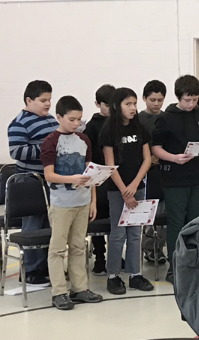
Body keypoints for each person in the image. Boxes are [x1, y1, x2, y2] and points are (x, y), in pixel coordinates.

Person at [40, 96, 103, 310]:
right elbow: (49, 175)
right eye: (72, 119)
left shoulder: (84, 140)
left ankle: (79, 288)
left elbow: (90, 172)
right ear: (59, 117)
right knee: (57, 249)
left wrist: (93, 200)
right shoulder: (51, 141)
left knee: (78, 247)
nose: (76, 124)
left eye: (79, 119)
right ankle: (59, 292)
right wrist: (72, 179)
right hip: (61, 203)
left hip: (82, 201)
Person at [151, 75, 199, 284]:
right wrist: (174, 158)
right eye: (187, 100)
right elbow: (156, 148)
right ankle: (174, 264)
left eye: (195, 100)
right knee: (176, 221)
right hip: (175, 177)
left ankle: (195, 262)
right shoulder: (166, 117)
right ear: (179, 97)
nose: (191, 104)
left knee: (197, 220)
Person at [100, 87, 155, 295]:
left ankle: (135, 274)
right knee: (117, 234)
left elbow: (147, 159)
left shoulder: (140, 128)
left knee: (134, 233)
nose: (133, 108)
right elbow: (110, 164)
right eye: (128, 104)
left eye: (134, 104)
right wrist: (124, 190)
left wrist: (134, 186)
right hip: (117, 190)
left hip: (137, 188)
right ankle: (113, 276)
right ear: (117, 106)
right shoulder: (109, 130)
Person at [7, 80, 59, 286]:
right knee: (33, 224)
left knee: (49, 223)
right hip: (30, 183)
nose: (47, 104)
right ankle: (30, 269)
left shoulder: (51, 119)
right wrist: (46, 150)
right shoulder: (19, 123)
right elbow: (16, 151)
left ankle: (46, 265)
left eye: (49, 100)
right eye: (43, 100)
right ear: (29, 100)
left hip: (50, 180)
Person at [83, 84, 115, 276]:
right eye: (107, 105)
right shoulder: (92, 127)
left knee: (114, 220)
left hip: (115, 176)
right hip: (97, 178)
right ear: (98, 104)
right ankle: (100, 257)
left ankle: (113, 256)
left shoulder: (118, 123)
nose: (110, 109)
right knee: (98, 218)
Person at [138, 80, 168, 265]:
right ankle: (148, 246)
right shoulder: (138, 120)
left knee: (163, 210)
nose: (156, 103)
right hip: (145, 172)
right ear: (144, 99)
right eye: (152, 99)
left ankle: (158, 247)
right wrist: (148, 157)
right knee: (148, 210)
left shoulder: (165, 118)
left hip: (163, 171)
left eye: (160, 100)